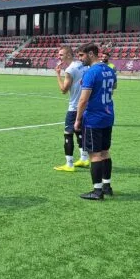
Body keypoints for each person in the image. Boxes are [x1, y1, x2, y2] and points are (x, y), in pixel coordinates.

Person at [74, 43, 117, 200]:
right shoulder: (110, 69)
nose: (80, 59)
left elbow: (83, 100)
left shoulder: (91, 72)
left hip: (94, 118)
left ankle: (97, 191)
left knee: (95, 154)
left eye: (81, 55)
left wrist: (78, 120)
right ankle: (107, 186)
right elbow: (114, 88)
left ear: (91, 54)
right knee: (105, 151)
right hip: (108, 115)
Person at [54, 45, 89, 172]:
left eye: (61, 55)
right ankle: (84, 158)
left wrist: (58, 74)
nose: (59, 57)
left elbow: (63, 89)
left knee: (68, 133)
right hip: (86, 105)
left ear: (69, 55)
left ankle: (69, 164)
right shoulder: (82, 64)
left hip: (74, 106)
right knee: (79, 131)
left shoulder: (70, 69)